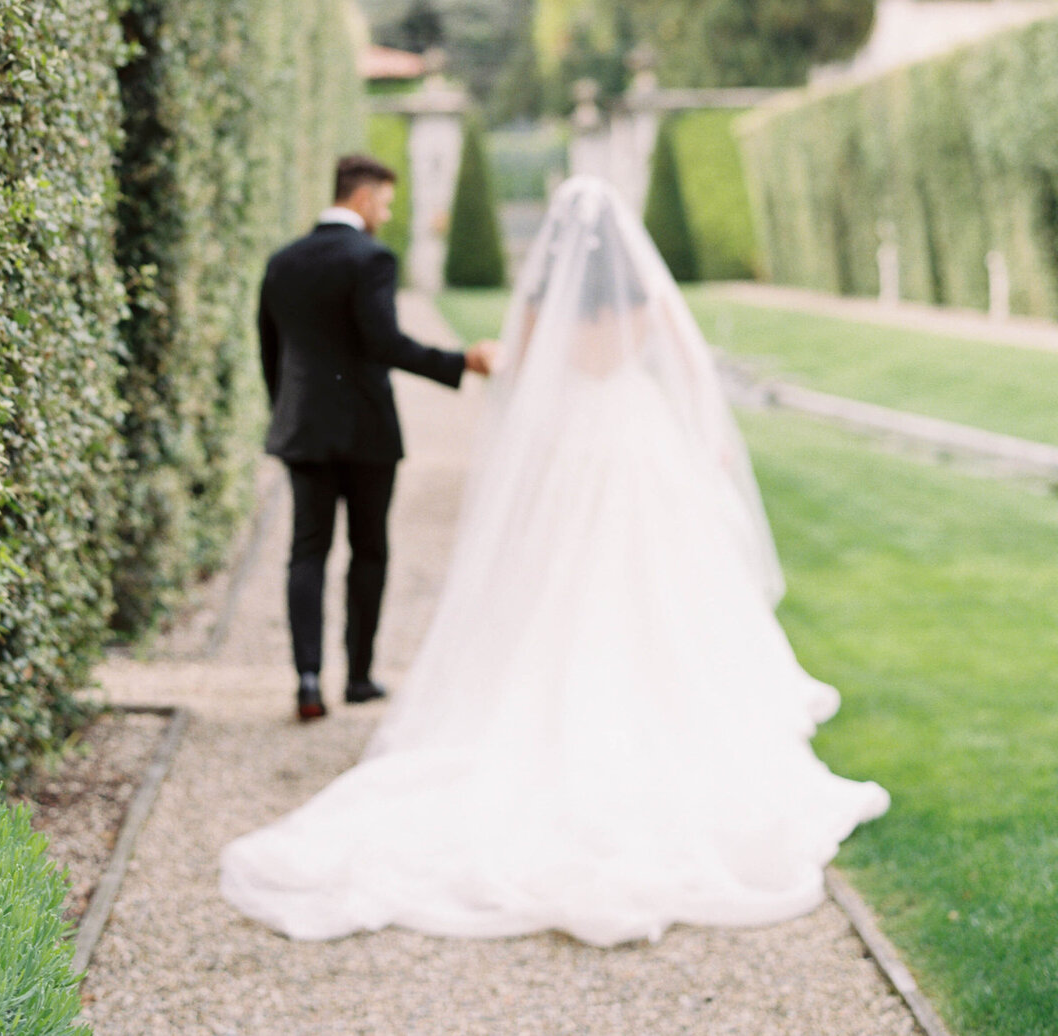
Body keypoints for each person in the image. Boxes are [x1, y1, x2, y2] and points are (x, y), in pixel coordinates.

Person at [224, 175, 888, 943]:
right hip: (636, 438)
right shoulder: (645, 294)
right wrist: (703, 441)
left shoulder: (538, 299)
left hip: (567, 442)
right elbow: (691, 370)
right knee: (658, 586)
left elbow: (524, 380)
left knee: (550, 584)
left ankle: (340, 674)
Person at [258, 153, 497, 721]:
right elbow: (384, 342)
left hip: (305, 429)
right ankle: (359, 676)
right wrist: (459, 361)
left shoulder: (282, 261)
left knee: (307, 551)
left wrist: (286, 413)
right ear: (364, 198)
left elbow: (271, 352)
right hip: (366, 430)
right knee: (369, 550)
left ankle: (309, 681)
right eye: (385, 203)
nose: (385, 215)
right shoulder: (371, 258)